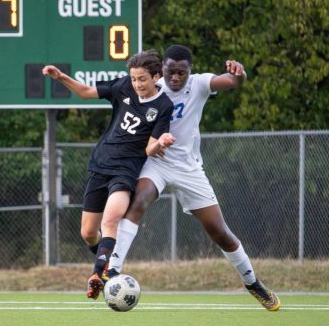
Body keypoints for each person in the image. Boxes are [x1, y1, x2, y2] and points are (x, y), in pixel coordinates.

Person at [105, 44, 281, 311]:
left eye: (181, 73)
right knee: (138, 201)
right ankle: (112, 272)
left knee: (220, 232)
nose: (175, 78)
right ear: (161, 70)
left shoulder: (199, 84)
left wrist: (239, 74)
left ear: (190, 71)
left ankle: (253, 282)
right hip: (157, 162)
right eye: (170, 72)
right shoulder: (151, 85)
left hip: (189, 168)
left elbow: (232, 81)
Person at [42, 50, 176, 300]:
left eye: (142, 79)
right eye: (134, 78)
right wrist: (61, 77)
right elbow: (84, 93)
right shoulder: (124, 86)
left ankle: (99, 275)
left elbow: (149, 148)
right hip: (101, 164)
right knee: (88, 233)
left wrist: (162, 143)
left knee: (111, 220)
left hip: (125, 172)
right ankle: (107, 260)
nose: (137, 84)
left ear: (156, 76)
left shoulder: (163, 106)